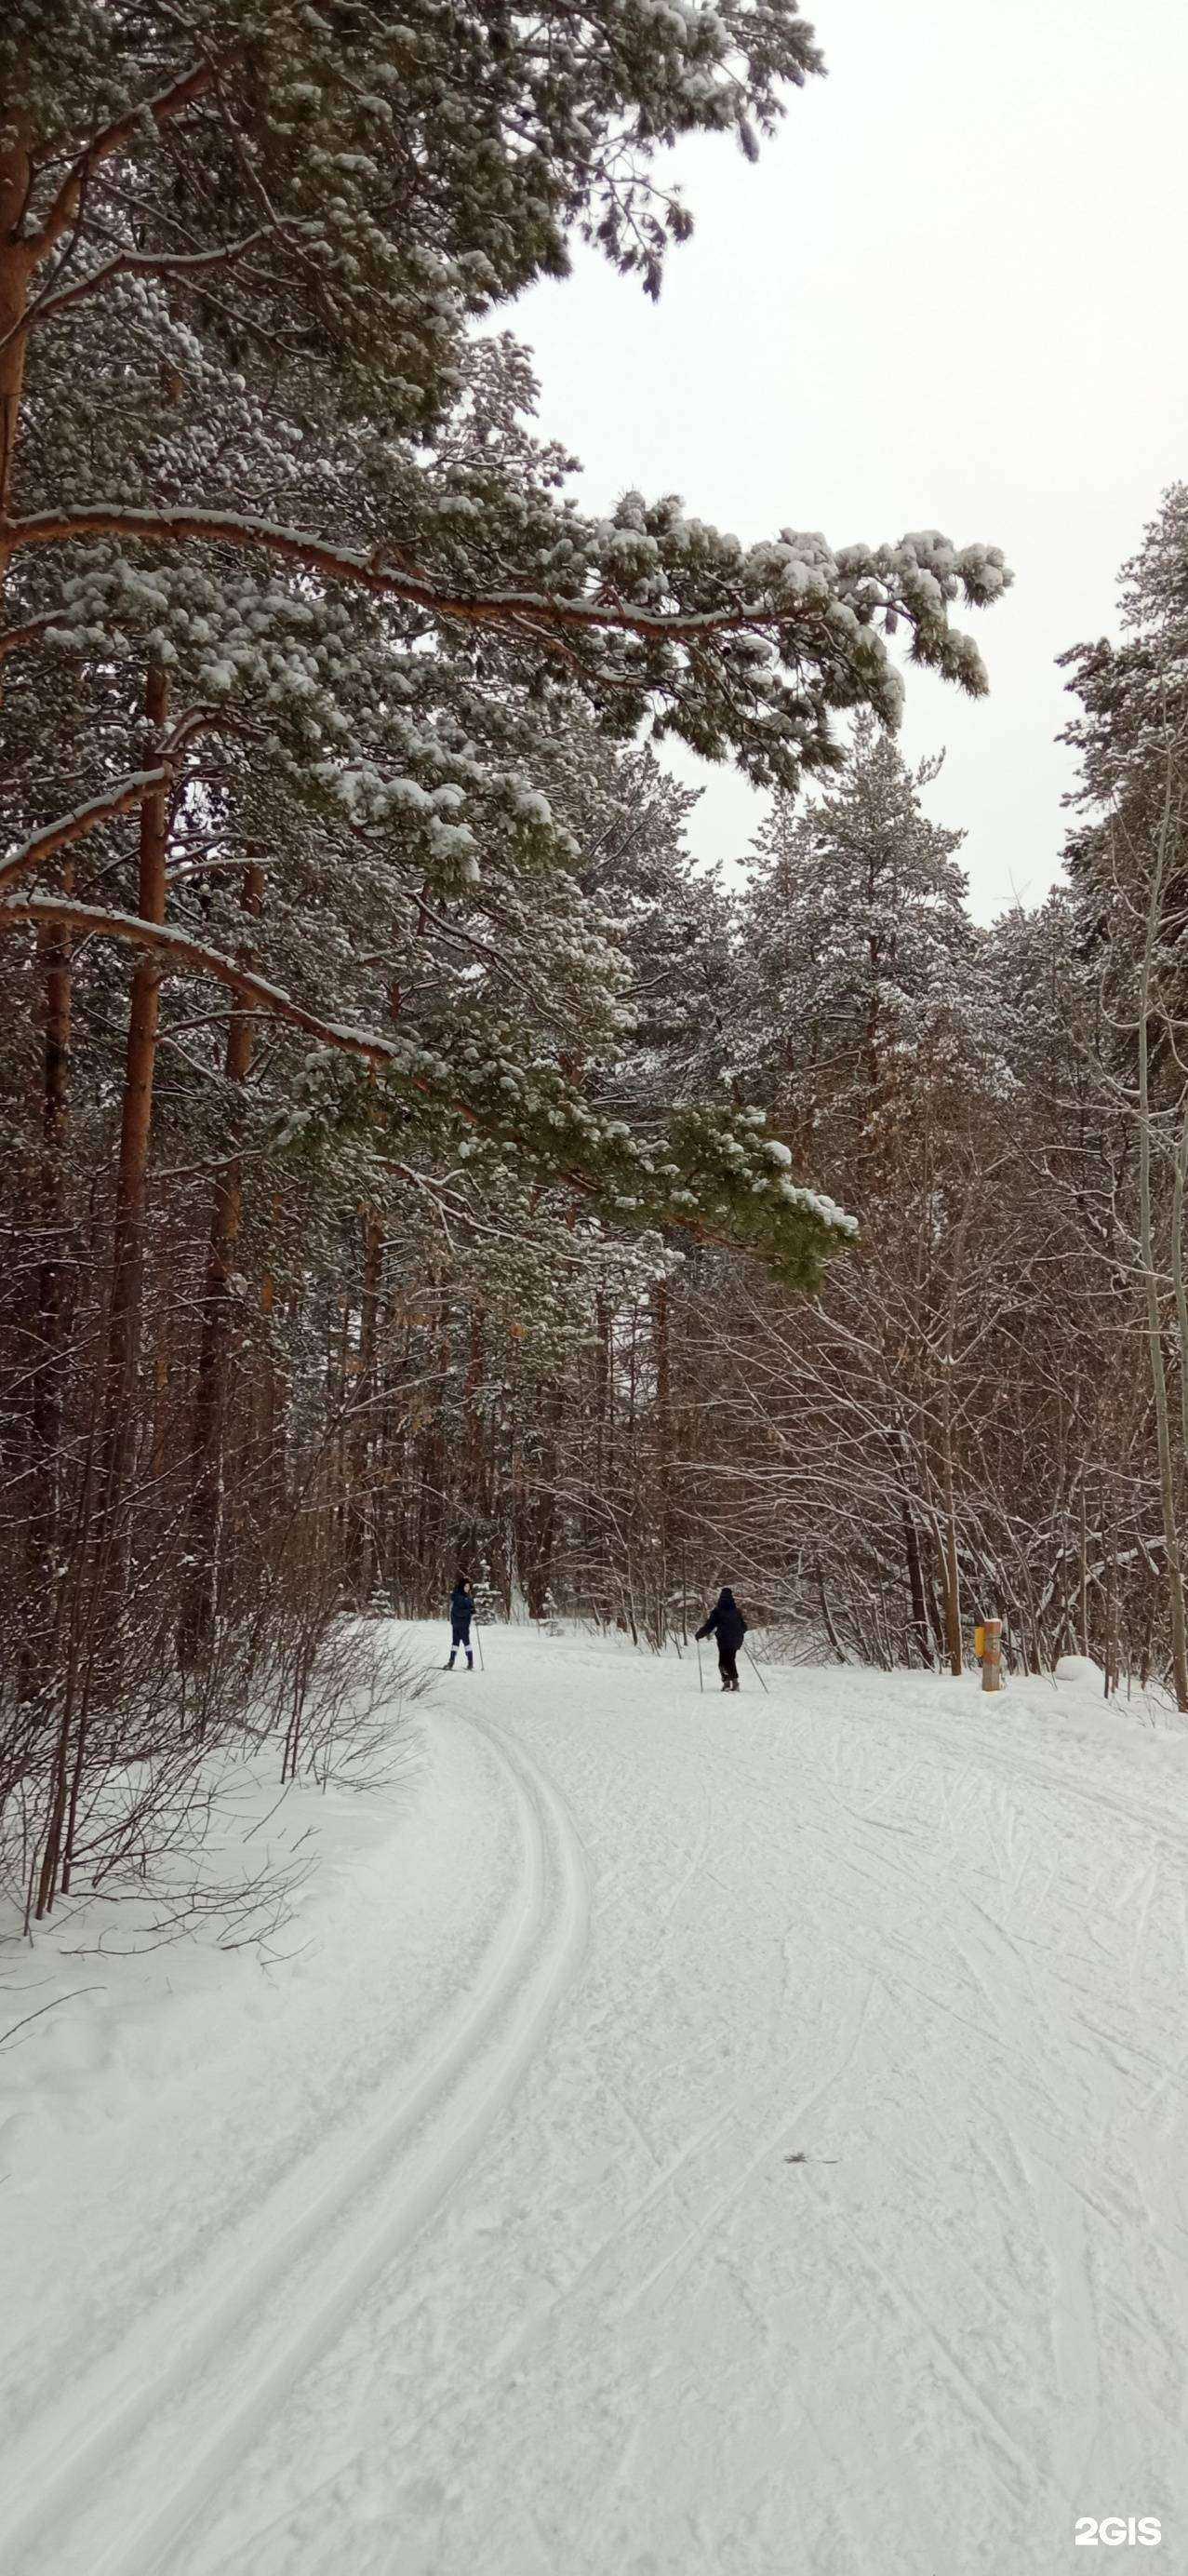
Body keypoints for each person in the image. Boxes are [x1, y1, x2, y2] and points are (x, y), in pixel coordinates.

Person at [696, 1586, 748, 1691]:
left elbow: (710, 1625)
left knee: (723, 1662)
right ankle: (734, 1682)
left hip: (724, 1639)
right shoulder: (737, 1611)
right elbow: (744, 1627)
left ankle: (728, 1683)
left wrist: (699, 1634)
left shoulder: (718, 1611)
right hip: (736, 1639)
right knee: (730, 1660)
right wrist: (738, 1632)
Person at [446, 1575, 475, 1670]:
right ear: (462, 1587)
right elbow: (458, 1612)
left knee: (467, 1643)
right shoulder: (458, 1597)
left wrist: (473, 1610)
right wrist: (469, 1611)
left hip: (465, 1625)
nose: (468, 1588)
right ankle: (451, 1661)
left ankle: (470, 1662)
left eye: (468, 1586)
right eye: (466, 1586)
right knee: (455, 1643)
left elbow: (470, 1608)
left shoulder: (468, 1597)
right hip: (457, 1624)